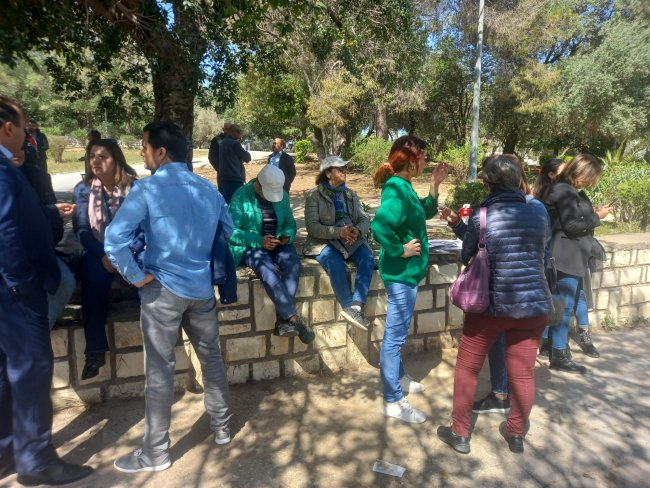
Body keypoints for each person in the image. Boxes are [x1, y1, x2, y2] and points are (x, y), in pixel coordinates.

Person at [104, 121, 233, 473]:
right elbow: (230, 230)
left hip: (161, 289)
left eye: (145, 147)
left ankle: (156, 453)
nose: (142, 153)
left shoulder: (147, 191)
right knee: (212, 360)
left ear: (161, 152)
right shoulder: (208, 190)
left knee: (160, 371)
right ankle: (222, 428)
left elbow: (114, 241)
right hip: (201, 289)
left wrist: (134, 275)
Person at [0, 96, 93, 485]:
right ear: (8, 127)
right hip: (16, 292)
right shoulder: (4, 172)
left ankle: (7, 450)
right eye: (23, 127)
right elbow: (8, 231)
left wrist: (49, 212)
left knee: (7, 372)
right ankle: (36, 460)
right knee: (33, 369)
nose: (27, 135)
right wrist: (24, 282)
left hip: (8, 290)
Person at [436, 154, 551, 455]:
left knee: (468, 368)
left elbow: (467, 256)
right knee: (524, 373)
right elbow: (543, 250)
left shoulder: (482, 214)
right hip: (533, 304)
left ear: (487, 183)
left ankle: (460, 433)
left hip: (490, 305)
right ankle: (515, 433)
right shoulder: (538, 211)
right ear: (519, 179)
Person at [371, 136, 448, 424]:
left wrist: (435, 186)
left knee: (398, 334)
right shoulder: (396, 188)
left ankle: (400, 377)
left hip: (407, 275)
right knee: (394, 338)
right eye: (425, 157)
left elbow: (422, 213)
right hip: (401, 275)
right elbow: (379, 224)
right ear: (413, 159)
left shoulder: (404, 187)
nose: (427, 162)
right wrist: (399, 249)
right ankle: (392, 400)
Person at [72, 139, 141, 380]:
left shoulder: (135, 188)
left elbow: (144, 228)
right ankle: (95, 351)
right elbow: (81, 230)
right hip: (97, 252)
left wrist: (125, 253)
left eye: (103, 156)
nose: (96, 161)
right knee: (92, 275)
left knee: (150, 273)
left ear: (117, 160)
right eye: (92, 156)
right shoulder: (83, 190)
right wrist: (104, 255)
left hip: (131, 250)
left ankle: (160, 339)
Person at [228, 164, 315, 343]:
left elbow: (290, 222)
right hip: (251, 246)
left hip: (277, 242)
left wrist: (287, 236)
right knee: (266, 268)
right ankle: (292, 318)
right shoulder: (241, 195)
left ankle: (284, 321)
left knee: (292, 264)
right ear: (258, 184)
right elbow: (231, 231)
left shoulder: (281, 194)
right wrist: (259, 241)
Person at [543, 154, 609, 374]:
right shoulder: (563, 190)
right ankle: (559, 354)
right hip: (564, 256)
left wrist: (593, 212)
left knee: (566, 304)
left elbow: (576, 218)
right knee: (564, 307)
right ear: (580, 173)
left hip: (573, 255)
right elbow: (571, 226)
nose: (591, 183)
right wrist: (598, 216)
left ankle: (556, 349)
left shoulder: (571, 191)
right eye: (590, 178)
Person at [9, 143, 77, 330]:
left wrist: (53, 212)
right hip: (9, 254)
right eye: (9, 147)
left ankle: (38, 331)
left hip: (40, 250)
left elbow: (44, 219)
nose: (17, 152)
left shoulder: (36, 176)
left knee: (64, 281)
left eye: (21, 148)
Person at [304, 156, 374, 331]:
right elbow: (313, 228)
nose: (345, 172)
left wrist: (357, 231)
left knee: (367, 258)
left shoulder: (350, 195)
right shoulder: (314, 196)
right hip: (323, 242)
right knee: (334, 262)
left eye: (345, 169)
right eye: (340, 169)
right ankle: (348, 307)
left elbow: (364, 219)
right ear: (328, 173)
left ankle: (356, 306)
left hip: (349, 239)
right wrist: (338, 232)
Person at [531, 158, 565, 358]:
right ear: (552, 175)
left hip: (546, 253)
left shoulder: (541, 197)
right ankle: (543, 342)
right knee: (549, 297)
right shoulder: (549, 199)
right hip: (547, 254)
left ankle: (543, 343)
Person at [217, 123, 251, 203]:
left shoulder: (223, 142)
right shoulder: (235, 144)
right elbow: (247, 158)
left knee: (227, 201)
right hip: (235, 178)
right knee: (237, 202)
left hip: (224, 177)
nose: (240, 134)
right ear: (231, 132)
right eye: (238, 132)